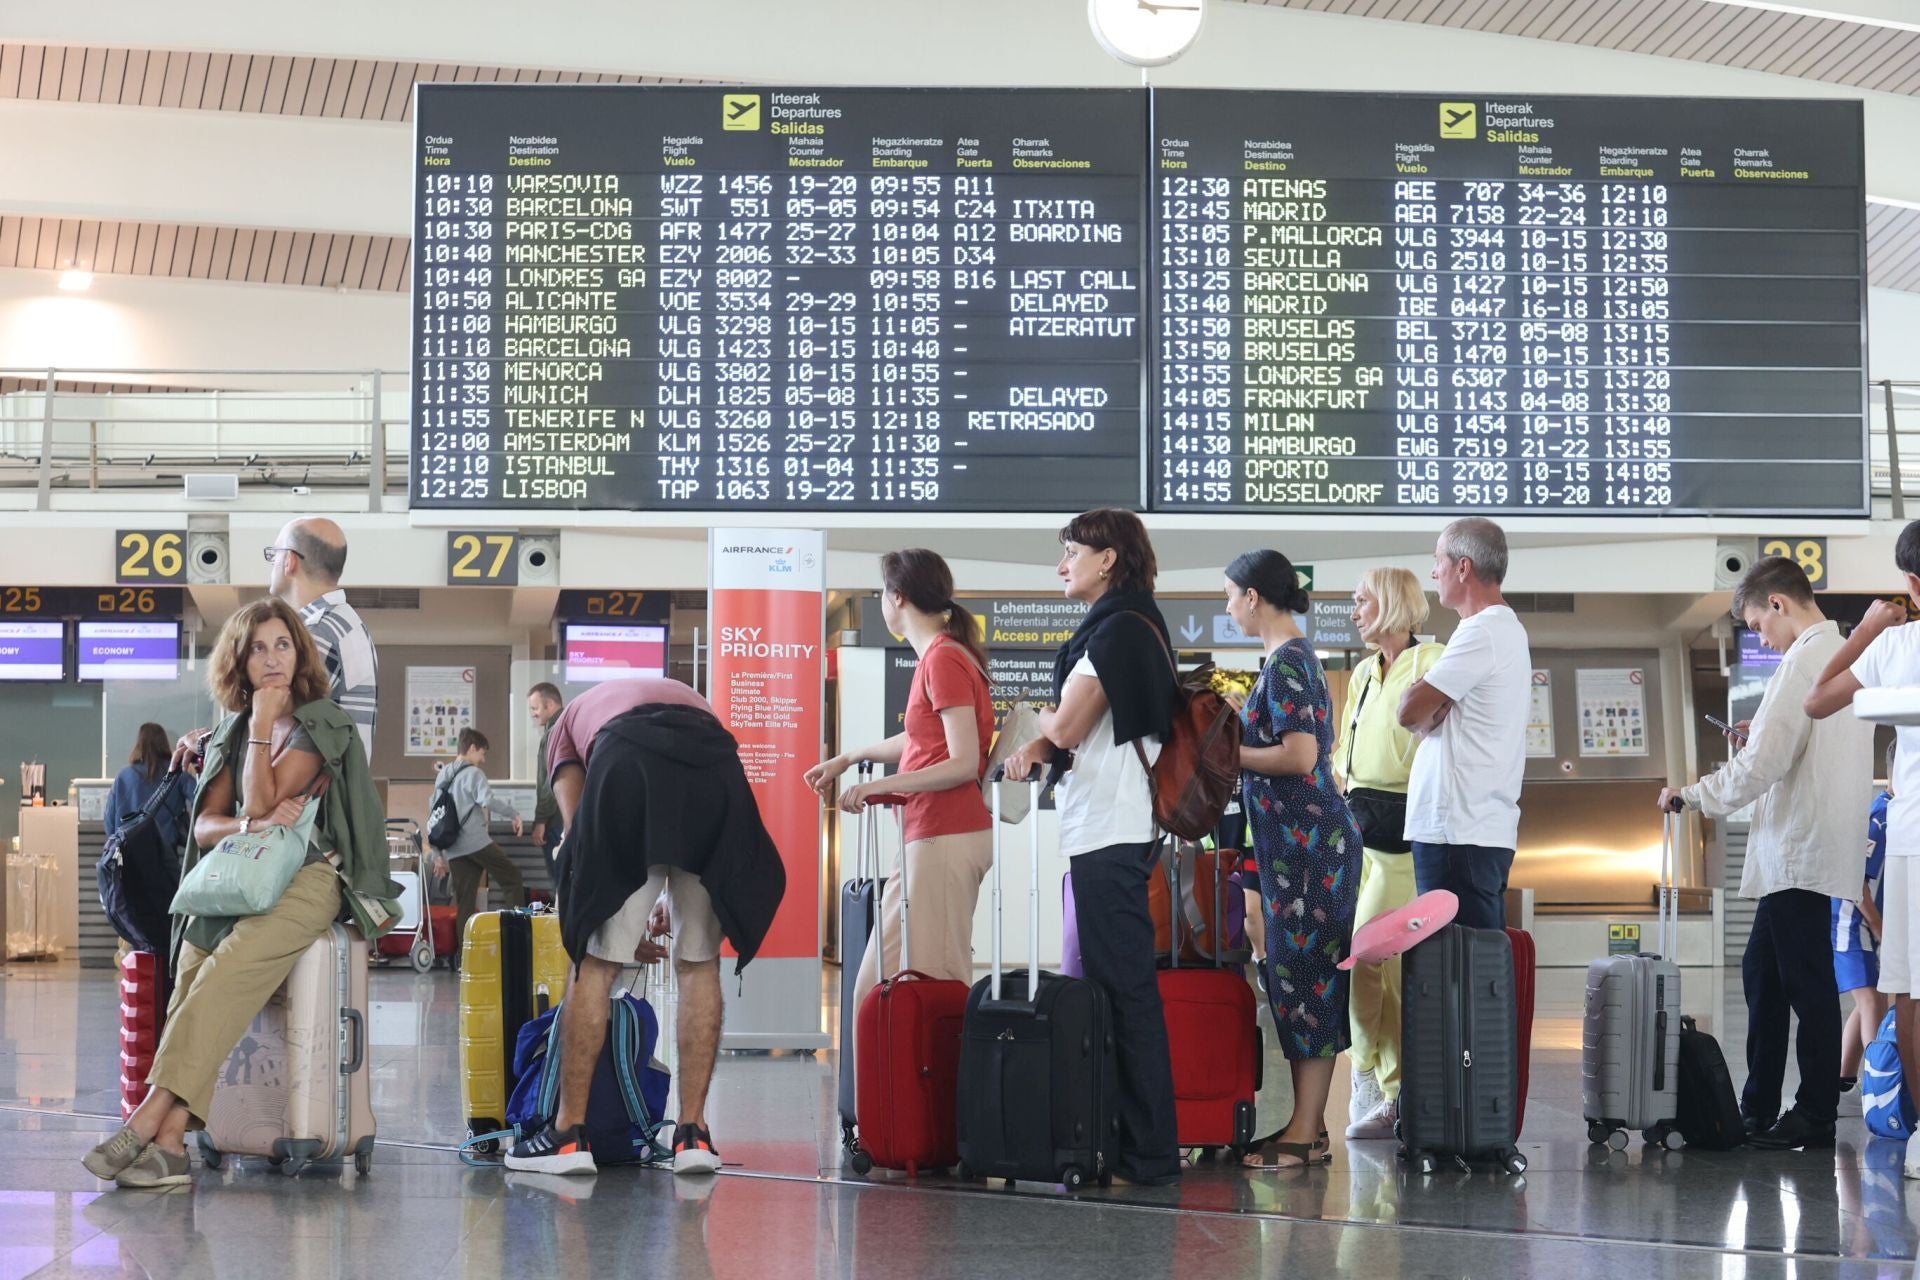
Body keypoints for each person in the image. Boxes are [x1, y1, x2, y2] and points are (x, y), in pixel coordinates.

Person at [83, 598, 392, 1188]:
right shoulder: (228, 728)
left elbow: (254, 798)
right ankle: (172, 1144)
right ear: (240, 661)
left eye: (283, 645)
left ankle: (148, 1115)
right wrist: (254, 822)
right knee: (193, 963)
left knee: (228, 967)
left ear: (299, 653)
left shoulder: (322, 720)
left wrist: (258, 746)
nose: (272, 659)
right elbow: (210, 824)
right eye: (258, 648)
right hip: (243, 870)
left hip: (311, 876)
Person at [505, 675, 786, 1178]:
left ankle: (568, 1136)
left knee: (594, 965)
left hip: (626, 757)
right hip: (715, 765)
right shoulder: (683, 696)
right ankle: (693, 1136)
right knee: (699, 961)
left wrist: (610, 915)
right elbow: (673, 816)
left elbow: (580, 836)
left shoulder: (568, 724)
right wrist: (657, 895)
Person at [1002, 508, 1181, 1188]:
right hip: (1112, 828)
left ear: (1108, 558)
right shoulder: (1133, 626)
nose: (1062, 564)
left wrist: (1035, 722)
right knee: (1115, 990)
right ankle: (1131, 1140)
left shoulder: (1116, 632)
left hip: (1111, 829)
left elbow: (1071, 726)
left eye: (1071, 551)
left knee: (1126, 993)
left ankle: (1150, 1152)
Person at [1668, 555, 1871, 1151]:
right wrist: (1762, 737)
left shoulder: (1802, 661)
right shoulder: (1839, 656)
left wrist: (1691, 796)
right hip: (1809, 843)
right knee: (1764, 974)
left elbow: (1763, 764)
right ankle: (1758, 1106)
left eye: (1759, 624)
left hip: (1799, 848)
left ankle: (1813, 1113)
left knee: (1806, 983)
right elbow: (1788, 747)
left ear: (1778, 604)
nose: (1761, 636)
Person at [806, 550, 995, 1031]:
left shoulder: (944, 660)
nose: (880, 603)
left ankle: (928, 1102)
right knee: (887, 981)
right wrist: (849, 757)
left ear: (899, 597)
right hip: (930, 837)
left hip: (944, 837)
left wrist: (883, 786)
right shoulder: (941, 657)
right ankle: (889, 1102)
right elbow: (920, 739)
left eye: (880, 594)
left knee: (926, 980)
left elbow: (962, 760)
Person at [1223, 550, 1362, 1170]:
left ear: (1255, 596)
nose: (1227, 607)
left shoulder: (1290, 662)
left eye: (1230, 595)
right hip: (1293, 852)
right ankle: (1307, 1127)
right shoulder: (1285, 662)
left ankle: (1306, 1133)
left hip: (1312, 855)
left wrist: (1229, 752)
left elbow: (1299, 757)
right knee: (1295, 979)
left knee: (1308, 981)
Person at [1806, 519, 1920, 1174]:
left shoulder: (1895, 647)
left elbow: (1818, 700)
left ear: (1910, 583)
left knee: (1909, 992)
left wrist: (1868, 629)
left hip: (1912, 839)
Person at [1337, 567, 1445, 1142]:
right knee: (1357, 961)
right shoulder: (1360, 672)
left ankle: (1393, 1087)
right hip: (1357, 829)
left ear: (1390, 603)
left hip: (1401, 833)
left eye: (1362, 601)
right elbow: (1345, 750)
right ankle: (1372, 1074)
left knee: (1380, 961)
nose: (1354, 612)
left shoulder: (1431, 660)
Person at [1398, 517, 1531, 930]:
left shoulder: (1484, 631)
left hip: (1459, 833)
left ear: (1463, 567)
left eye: (1438, 561)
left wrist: (1424, 697)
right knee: (1460, 972)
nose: (1433, 572)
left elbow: (1408, 711)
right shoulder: (1489, 631)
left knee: (1458, 973)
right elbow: (1425, 712)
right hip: (1467, 832)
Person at [172, 518, 379, 774]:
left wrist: (207, 744)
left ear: (290, 561)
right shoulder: (345, 623)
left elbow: (277, 730)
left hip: (304, 805)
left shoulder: (316, 633)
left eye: (274, 555)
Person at [430, 728, 527, 968]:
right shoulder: (473, 773)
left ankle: (465, 959)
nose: (482, 760)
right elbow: (488, 800)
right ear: (472, 748)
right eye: (482, 754)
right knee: (512, 878)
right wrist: (514, 814)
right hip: (475, 841)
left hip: (453, 848)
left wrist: (437, 854)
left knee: (465, 902)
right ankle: (518, 939)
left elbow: (434, 815)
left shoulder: (443, 776)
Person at [1836, 751, 1890, 1097]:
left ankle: (1843, 1077)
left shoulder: (1898, 812)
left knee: (1869, 998)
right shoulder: (1882, 816)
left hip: (1865, 921)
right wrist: (1878, 925)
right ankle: (1878, 1084)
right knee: (1873, 1001)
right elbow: (1855, 879)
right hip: (1851, 921)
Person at [106, 722, 189, 853]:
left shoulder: (123, 776)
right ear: (164, 743)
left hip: (128, 852)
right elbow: (201, 798)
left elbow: (110, 820)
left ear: (138, 744)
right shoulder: (178, 774)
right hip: (165, 853)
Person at [528, 683, 566, 868]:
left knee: (559, 878)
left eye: (535, 708)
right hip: (570, 817)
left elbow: (551, 781)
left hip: (555, 819)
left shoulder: (553, 734)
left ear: (549, 704)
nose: (532, 714)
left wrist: (541, 820)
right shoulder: (570, 726)